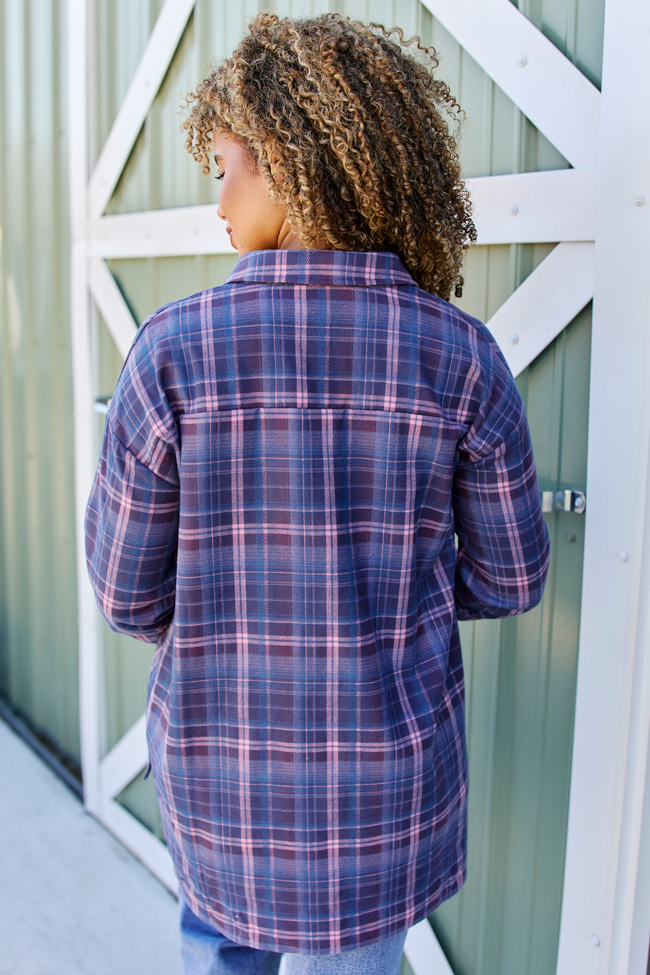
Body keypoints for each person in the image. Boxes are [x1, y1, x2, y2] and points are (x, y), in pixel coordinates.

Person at [85, 13, 550, 975]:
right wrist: (396, 605)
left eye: (226, 166)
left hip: (222, 780)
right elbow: (510, 579)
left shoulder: (170, 354)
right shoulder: (462, 358)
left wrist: (229, 614)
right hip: (384, 796)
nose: (218, 200)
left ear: (291, 166)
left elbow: (127, 595)